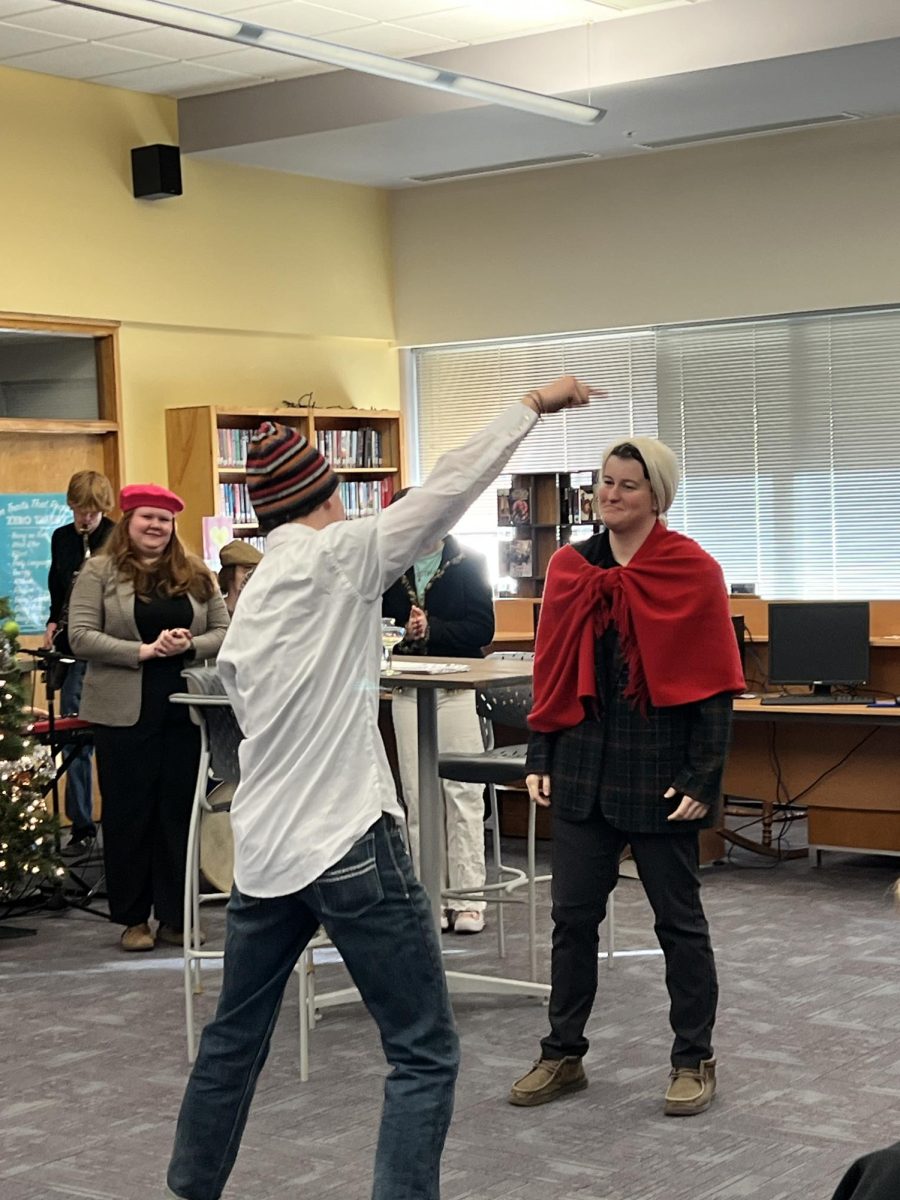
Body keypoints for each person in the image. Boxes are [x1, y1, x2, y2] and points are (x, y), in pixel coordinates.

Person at [164, 376, 599, 1200]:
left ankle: (186, 1191)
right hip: (348, 840)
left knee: (232, 1043)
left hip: (266, 853)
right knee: (423, 1050)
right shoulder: (341, 559)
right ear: (326, 499)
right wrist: (531, 408)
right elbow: (448, 489)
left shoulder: (253, 598)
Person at [508, 438, 745, 1116]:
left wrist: (704, 777)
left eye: (627, 486)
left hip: (663, 775)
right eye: (605, 483)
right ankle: (562, 1055)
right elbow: (551, 671)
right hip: (582, 767)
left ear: (656, 496)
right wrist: (539, 755)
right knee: (571, 921)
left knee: (680, 923)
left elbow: (716, 686)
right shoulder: (570, 567)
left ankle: (693, 1058)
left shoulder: (691, 570)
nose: (610, 495)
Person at [67, 484, 229, 952]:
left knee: (178, 813)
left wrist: (189, 645)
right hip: (123, 711)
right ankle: (134, 919)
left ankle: (176, 917)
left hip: (185, 708)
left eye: (164, 519)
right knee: (128, 813)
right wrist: (143, 650)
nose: (155, 527)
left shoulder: (197, 572)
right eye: (146, 518)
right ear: (129, 521)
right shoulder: (99, 571)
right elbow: (79, 636)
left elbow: (225, 630)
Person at [383, 491, 495, 934]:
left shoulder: (469, 562)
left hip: (455, 690)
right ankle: (427, 895)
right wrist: (403, 631)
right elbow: (375, 625)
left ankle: (468, 899)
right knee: (415, 795)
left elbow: (482, 628)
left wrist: (434, 628)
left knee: (463, 796)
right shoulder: (389, 568)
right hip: (409, 692)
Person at [44, 469, 115, 846]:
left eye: (91, 511)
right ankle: (82, 826)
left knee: (110, 737)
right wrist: (53, 621)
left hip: (106, 647)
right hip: (71, 646)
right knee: (74, 738)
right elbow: (57, 587)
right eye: (77, 510)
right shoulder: (61, 538)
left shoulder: (117, 538)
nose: (84, 518)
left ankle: (117, 821)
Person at [217, 539, 262, 617]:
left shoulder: (261, 612)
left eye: (255, 570)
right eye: (246, 570)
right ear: (229, 574)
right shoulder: (216, 614)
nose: (250, 576)